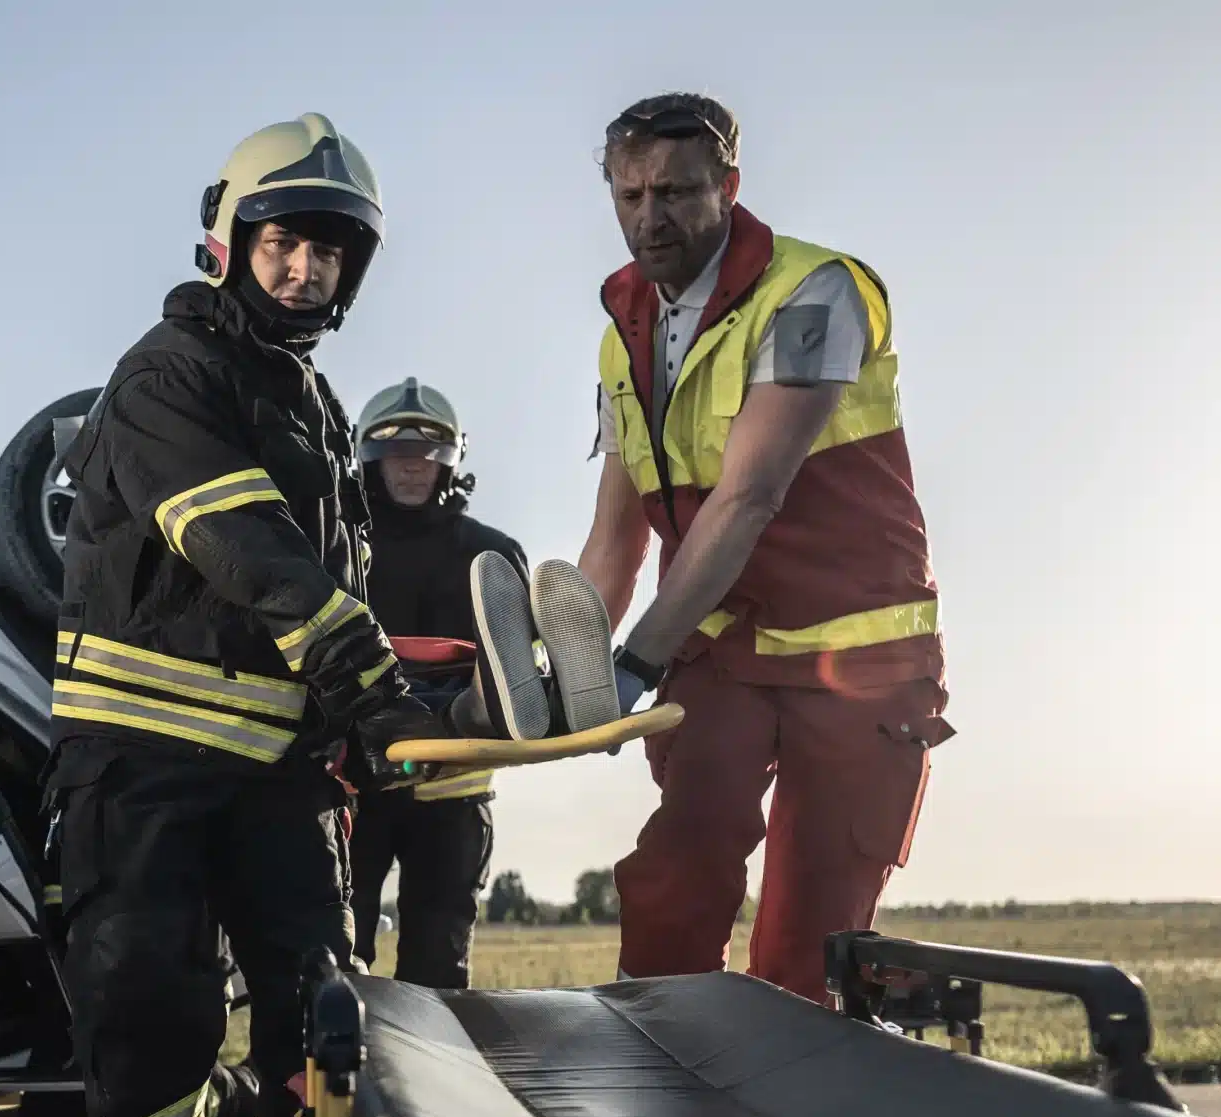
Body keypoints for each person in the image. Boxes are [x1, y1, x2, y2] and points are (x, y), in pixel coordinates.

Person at [46, 113, 445, 1117]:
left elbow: (332, 570)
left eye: (329, 251)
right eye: (282, 241)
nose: (304, 267)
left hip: (278, 766)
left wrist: (364, 724)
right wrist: (368, 674)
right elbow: (248, 549)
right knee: (148, 997)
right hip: (143, 757)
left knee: (317, 999)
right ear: (229, 238)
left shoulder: (313, 400)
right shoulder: (169, 374)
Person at [575, 94, 951, 1003]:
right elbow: (611, 547)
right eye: (628, 196)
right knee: (675, 876)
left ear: (729, 187)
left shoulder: (816, 294)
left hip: (857, 659)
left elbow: (748, 497)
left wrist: (634, 660)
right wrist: (565, 671)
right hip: (721, 653)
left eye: (675, 191)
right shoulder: (620, 332)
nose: (649, 219)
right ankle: (650, 1085)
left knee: (806, 939)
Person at [346, 378, 587, 988]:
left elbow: (513, 663)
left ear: (448, 460)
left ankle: (436, 1082)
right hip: (353, 787)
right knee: (337, 962)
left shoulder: (493, 555)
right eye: (398, 455)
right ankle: (336, 1085)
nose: (411, 466)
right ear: (370, 461)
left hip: (454, 793)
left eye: (425, 454)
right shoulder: (337, 549)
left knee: (438, 969)